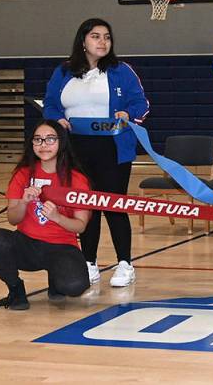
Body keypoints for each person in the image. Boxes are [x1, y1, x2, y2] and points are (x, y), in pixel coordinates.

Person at [43, 18, 147, 288]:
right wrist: (58, 120)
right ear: (83, 41)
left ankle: (125, 263)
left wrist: (129, 114)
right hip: (76, 149)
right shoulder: (63, 71)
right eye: (96, 36)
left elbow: (141, 103)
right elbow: (51, 104)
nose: (103, 42)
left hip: (112, 148)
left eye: (107, 37)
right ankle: (89, 262)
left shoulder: (121, 70)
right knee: (85, 206)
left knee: (114, 205)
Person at [0, 121, 92, 310]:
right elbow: (13, 219)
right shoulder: (22, 174)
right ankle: (16, 290)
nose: (43, 145)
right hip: (27, 243)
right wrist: (24, 202)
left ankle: (56, 280)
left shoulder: (77, 179)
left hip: (62, 246)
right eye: (38, 140)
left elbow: (80, 226)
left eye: (50, 139)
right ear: (32, 144)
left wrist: (57, 217)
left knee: (74, 286)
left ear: (61, 142)